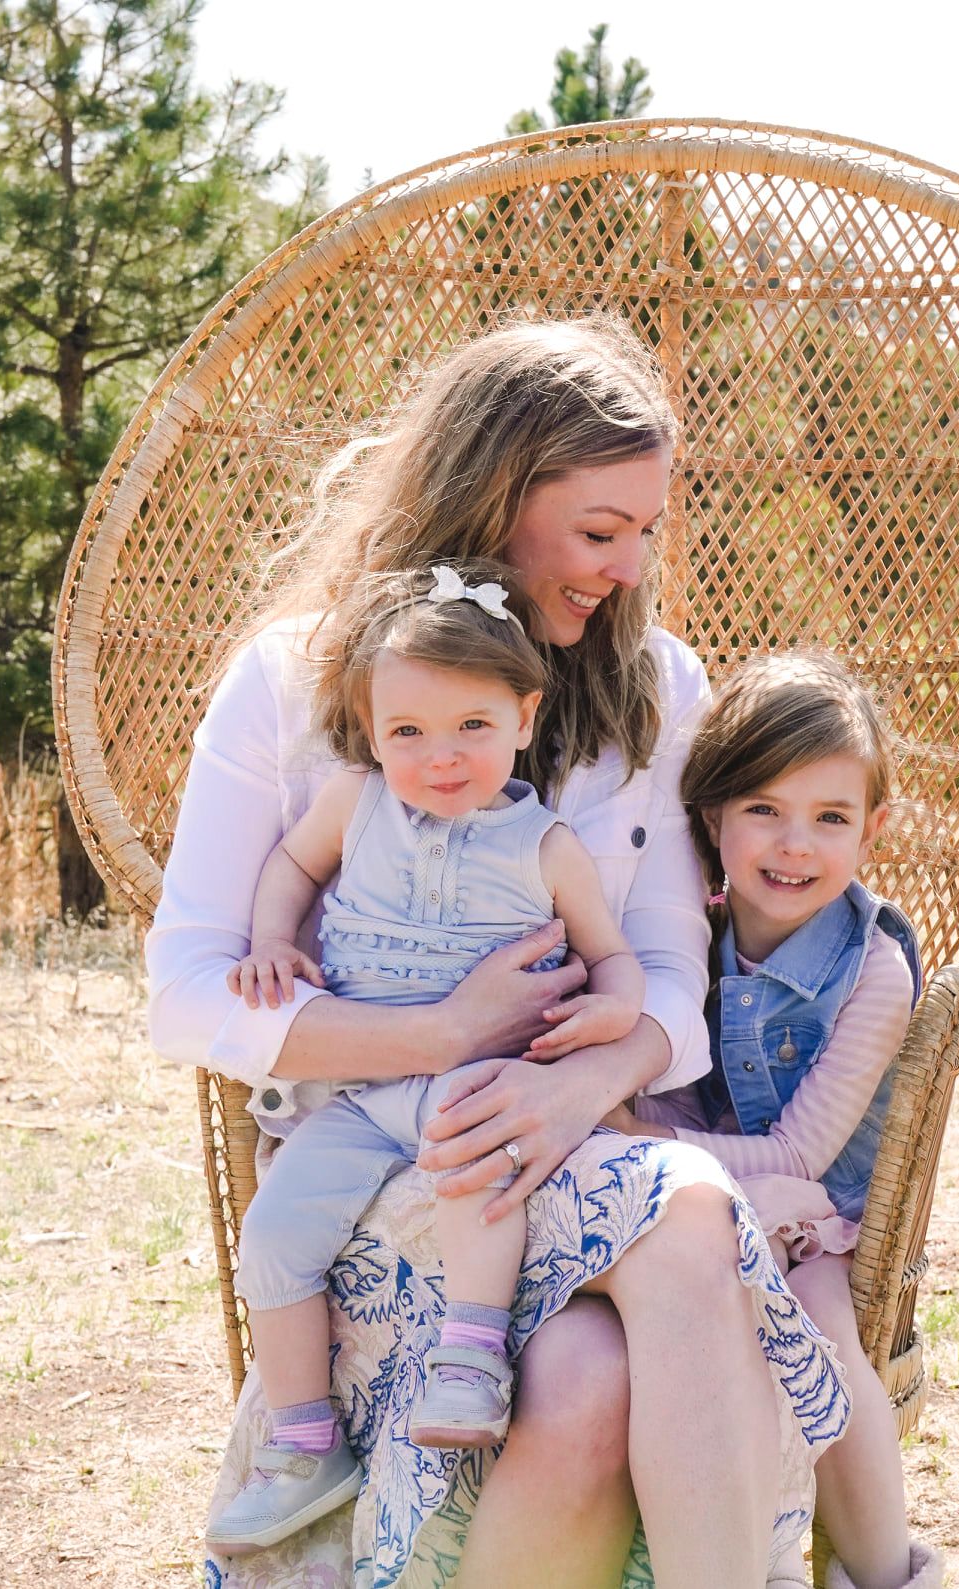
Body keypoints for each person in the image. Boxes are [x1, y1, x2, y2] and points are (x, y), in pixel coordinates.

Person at [146, 317, 849, 1589]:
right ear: (490, 495)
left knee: (587, 1377)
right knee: (689, 1208)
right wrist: (441, 1035)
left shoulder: (655, 686)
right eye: (597, 532)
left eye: (645, 531)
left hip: (580, 1137)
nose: (629, 568)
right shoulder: (293, 684)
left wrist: (584, 1079)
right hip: (380, 1163)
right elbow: (187, 999)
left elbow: (664, 967)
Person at [208, 560, 653, 1555]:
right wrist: (274, 937)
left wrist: (609, 1011)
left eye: (471, 727)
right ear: (371, 732)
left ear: (524, 719)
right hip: (365, 1087)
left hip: (476, 1079)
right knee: (275, 1230)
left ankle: (470, 1351)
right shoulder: (352, 805)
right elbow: (288, 866)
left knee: (471, 1146)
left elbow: (615, 956)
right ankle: (300, 1438)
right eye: (406, 731)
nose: (439, 755)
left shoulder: (543, 847)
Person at [606, 654, 945, 1589]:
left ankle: (886, 1572)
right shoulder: (684, 939)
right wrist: (653, 1138)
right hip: (707, 1201)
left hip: (819, 1213)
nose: (794, 846)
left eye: (830, 818)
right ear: (711, 818)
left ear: (872, 830)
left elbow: (801, 1152)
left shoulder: (873, 970)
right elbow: (666, 1086)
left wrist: (643, 1142)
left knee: (822, 1332)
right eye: (763, 809)